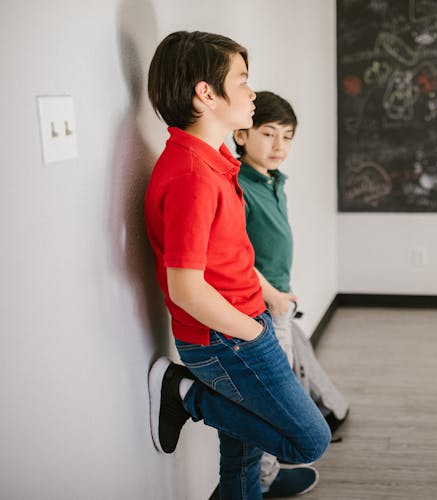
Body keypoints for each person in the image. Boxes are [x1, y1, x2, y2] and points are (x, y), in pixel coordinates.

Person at [144, 31, 330, 500]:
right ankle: (185, 395)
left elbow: (227, 256)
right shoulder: (191, 174)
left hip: (242, 323)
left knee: (243, 458)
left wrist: (263, 298)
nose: (251, 93)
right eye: (242, 80)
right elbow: (185, 288)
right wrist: (254, 334)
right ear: (206, 93)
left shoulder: (214, 160)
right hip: (231, 339)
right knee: (309, 438)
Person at [232, 92, 350, 496]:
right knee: (273, 398)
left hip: (279, 301)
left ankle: (267, 473)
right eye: (269, 134)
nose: (280, 145)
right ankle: (266, 478)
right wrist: (274, 297)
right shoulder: (238, 185)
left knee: (278, 392)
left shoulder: (272, 180)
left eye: (288, 136)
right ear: (242, 134)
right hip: (259, 309)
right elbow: (234, 254)